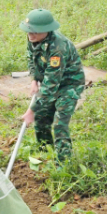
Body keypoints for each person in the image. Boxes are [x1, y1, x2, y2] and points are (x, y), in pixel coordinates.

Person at [20, 9, 85, 163]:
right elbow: (32, 59)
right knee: (42, 117)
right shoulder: (33, 39)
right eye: (29, 30)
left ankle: (63, 164)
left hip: (69, 84)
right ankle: (45, 153)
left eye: (35, 31)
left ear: (46, 30)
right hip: (52, 81)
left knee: (59, 123)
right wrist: (34, 79)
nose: (31, 34)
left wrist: (31, 110)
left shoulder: (58, 48)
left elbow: (50, 86)